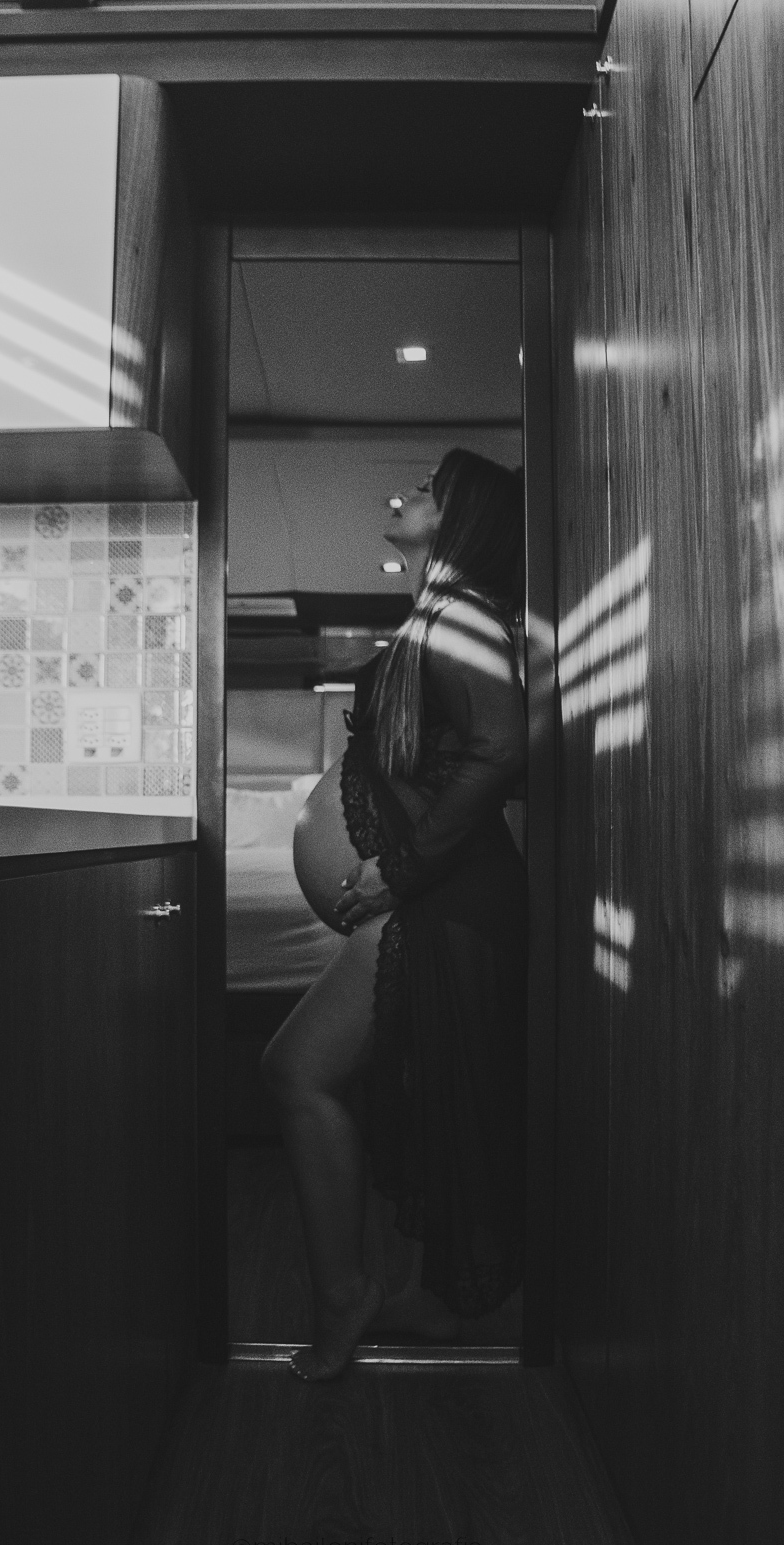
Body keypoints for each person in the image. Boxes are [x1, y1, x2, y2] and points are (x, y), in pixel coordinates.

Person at [260, 447, 541, 1382]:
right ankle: (436, 1302)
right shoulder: (445, 615)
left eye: (427, 488)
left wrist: (399, 870)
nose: (406, 493)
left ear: (460, 519)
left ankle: (346, 1295)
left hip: (437, 898)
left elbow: (499, 749)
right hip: (431, 900)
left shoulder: (460, 615)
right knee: (432, 1105)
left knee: (296, 1071)